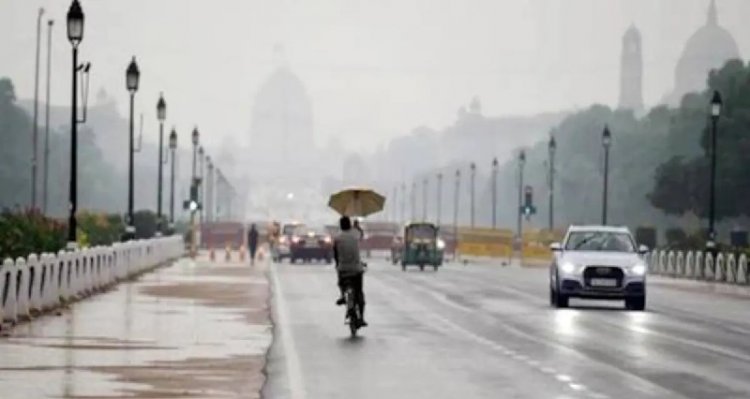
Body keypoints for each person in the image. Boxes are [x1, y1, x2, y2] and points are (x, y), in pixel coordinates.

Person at [334, 216, 367, 327]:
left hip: (343, 269)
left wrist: (338, 264)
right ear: (350, 225)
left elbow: (335, 254)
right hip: (356, 269)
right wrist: (357, 226)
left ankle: (343, 296)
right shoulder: (355, 235)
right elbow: (361, 234)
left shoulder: (337, 237)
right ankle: (361, 318)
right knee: (359, 292)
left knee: (340, 282)